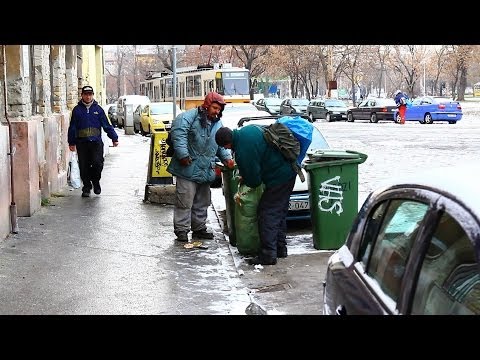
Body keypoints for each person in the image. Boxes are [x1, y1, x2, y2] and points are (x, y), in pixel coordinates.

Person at [215, 125, 297, 266]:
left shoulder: (242, 149)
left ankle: (268, 255)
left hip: (279, 177)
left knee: (267, 213)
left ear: (227, 143)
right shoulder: (248, 130)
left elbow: (254, 181)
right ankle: (280, 248)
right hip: (289, 171)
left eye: (226, 147)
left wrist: (245, 178)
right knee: (278, 212)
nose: (228, 150)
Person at [167, 92, 234, 242]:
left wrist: (227, 159)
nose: (217, 111)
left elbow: (220, 144)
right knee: (184, 201)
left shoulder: (217, 124)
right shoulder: (187, 117)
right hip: (187, 169)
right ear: (207, 105)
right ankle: (182, 230)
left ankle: (199, 228)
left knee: (202, 202)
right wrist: (183, 155)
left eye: (219, 109)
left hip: (205, 170)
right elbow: (179, 135)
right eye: (215, 108)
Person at [68, 85, 119, 197]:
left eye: (90, 94)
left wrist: (114, 138)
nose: (88, 97)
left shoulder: (98, 109)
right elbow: (72, 127)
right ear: (82, 95)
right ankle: (86, 186)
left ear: (92, 95)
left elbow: (106, 125)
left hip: (96, 143)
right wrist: (71, 142)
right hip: (82, 143)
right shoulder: (77, 110)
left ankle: (96, 182)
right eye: (85, 94)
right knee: (84, 166)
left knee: (97, 163)